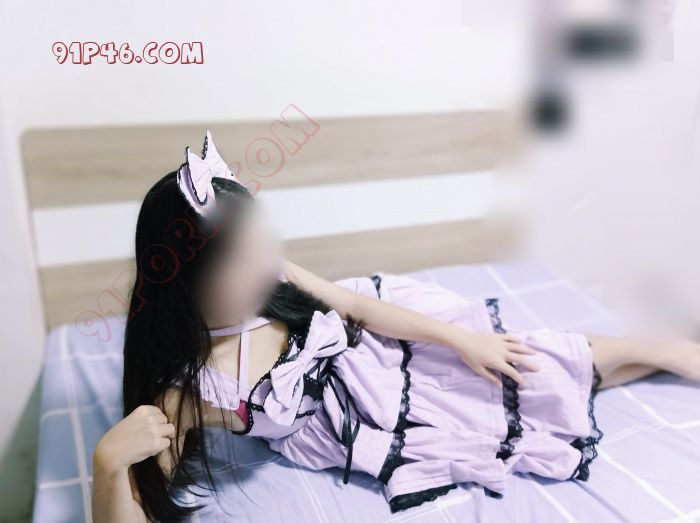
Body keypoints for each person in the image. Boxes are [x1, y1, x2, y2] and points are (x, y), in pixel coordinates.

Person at [91, 132, 700, 522]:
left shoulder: (270, 276)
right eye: (246, 258)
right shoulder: (192, 390)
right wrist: (107, 465)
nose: (268, 263)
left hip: (375, 350)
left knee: (511, 359)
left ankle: (655, 349)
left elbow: (356, 308)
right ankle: (653, 354)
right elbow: (140, 509)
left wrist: (459, 337)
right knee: (505, 408)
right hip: (361, 416)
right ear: (191, 279)